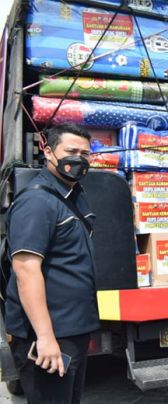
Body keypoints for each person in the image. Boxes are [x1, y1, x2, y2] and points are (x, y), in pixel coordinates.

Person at [5, 123, 98, 403]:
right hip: (48, 333)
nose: (78, 159)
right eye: (71, 151)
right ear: (48, 151)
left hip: (73, 329)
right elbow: (26, 270)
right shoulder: (36, 201)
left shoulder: (73, 195)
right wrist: (45, 338)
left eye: (85, 153)